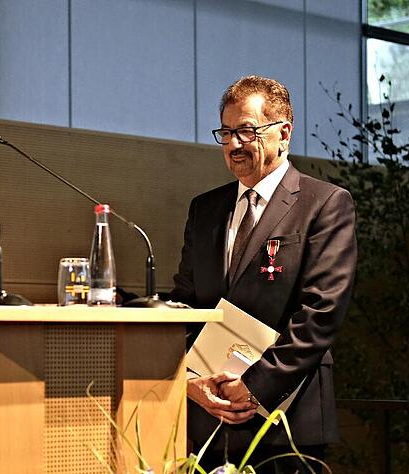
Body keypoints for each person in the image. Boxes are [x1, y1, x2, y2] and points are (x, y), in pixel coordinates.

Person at [170, 75, 357, 472]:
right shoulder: (205, 209)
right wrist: (192, 381)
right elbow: (185, 305)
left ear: (283, 133)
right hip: (208, 419)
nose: (234, 144)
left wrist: (254, 388)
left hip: (286, 419)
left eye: (247, 131)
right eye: (226, 132)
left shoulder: (324, 204)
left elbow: (320, 313)